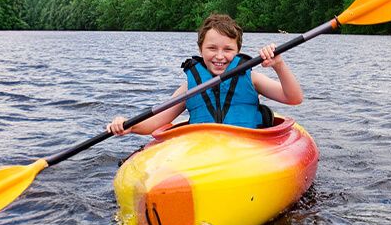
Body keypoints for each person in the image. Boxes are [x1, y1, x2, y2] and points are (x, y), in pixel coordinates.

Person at [106, 14, 303, 135]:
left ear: (238, 50)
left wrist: (279, 65)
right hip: (204, 152)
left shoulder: (251, 78)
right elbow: (157, 121)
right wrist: (129, 126)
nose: (219, 56)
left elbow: (293, 98)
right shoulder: (190, 86)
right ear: (201, 50)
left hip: (247, 148)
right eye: (211, 48)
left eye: (227, 49)